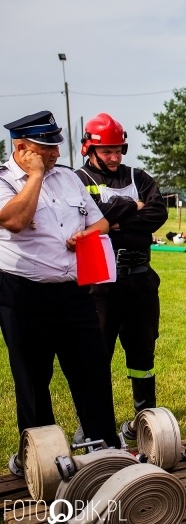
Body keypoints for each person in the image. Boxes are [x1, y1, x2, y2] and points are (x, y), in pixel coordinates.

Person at [0, 111, 119, 475]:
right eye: (45, 148)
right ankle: (41, 463)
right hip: (23, 296)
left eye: (56, 145)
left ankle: (105, 454)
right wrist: (34, 176)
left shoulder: (68, 177)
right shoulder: (5, 181)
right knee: (34, 380)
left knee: (93, 372)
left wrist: (87, 234)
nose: (54, 154)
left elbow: (99, 220)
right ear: (21, 147)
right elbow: (16, 221)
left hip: (73, 293)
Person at [74, 113, 168, 441]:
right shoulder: (78, 179)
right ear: (90, 149)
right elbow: (87, 217)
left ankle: (146, 419)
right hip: (100, 283)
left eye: (119, 150)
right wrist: (132, 206)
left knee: (143, 353)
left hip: (140, 279)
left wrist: (113, 217)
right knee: (96, 354)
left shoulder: (138, 175)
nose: (115, 158)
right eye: (107, 152)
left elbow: (158, 213)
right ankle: (91, 426)